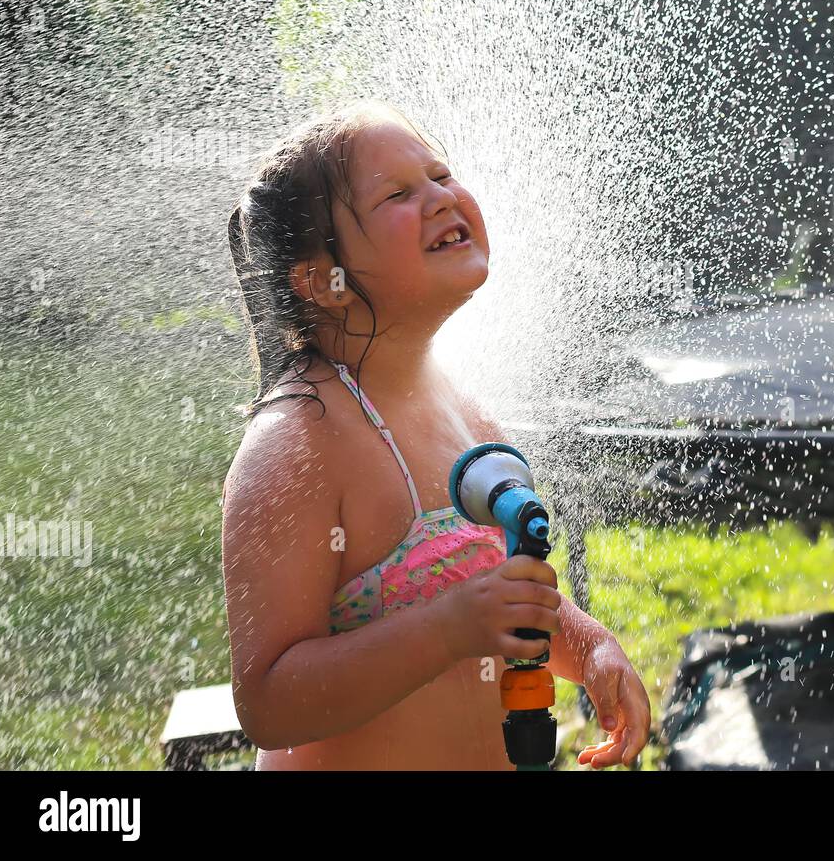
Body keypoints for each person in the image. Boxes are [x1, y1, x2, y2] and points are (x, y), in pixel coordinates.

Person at [220, 99, 650, 769]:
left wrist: (593, 646)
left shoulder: (463, 410)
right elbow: (269, 703)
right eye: (396, 193)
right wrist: (447, 630)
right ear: (320, 281)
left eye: (441, 174)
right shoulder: (298, 443)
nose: (438, 197)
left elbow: (506, 598)